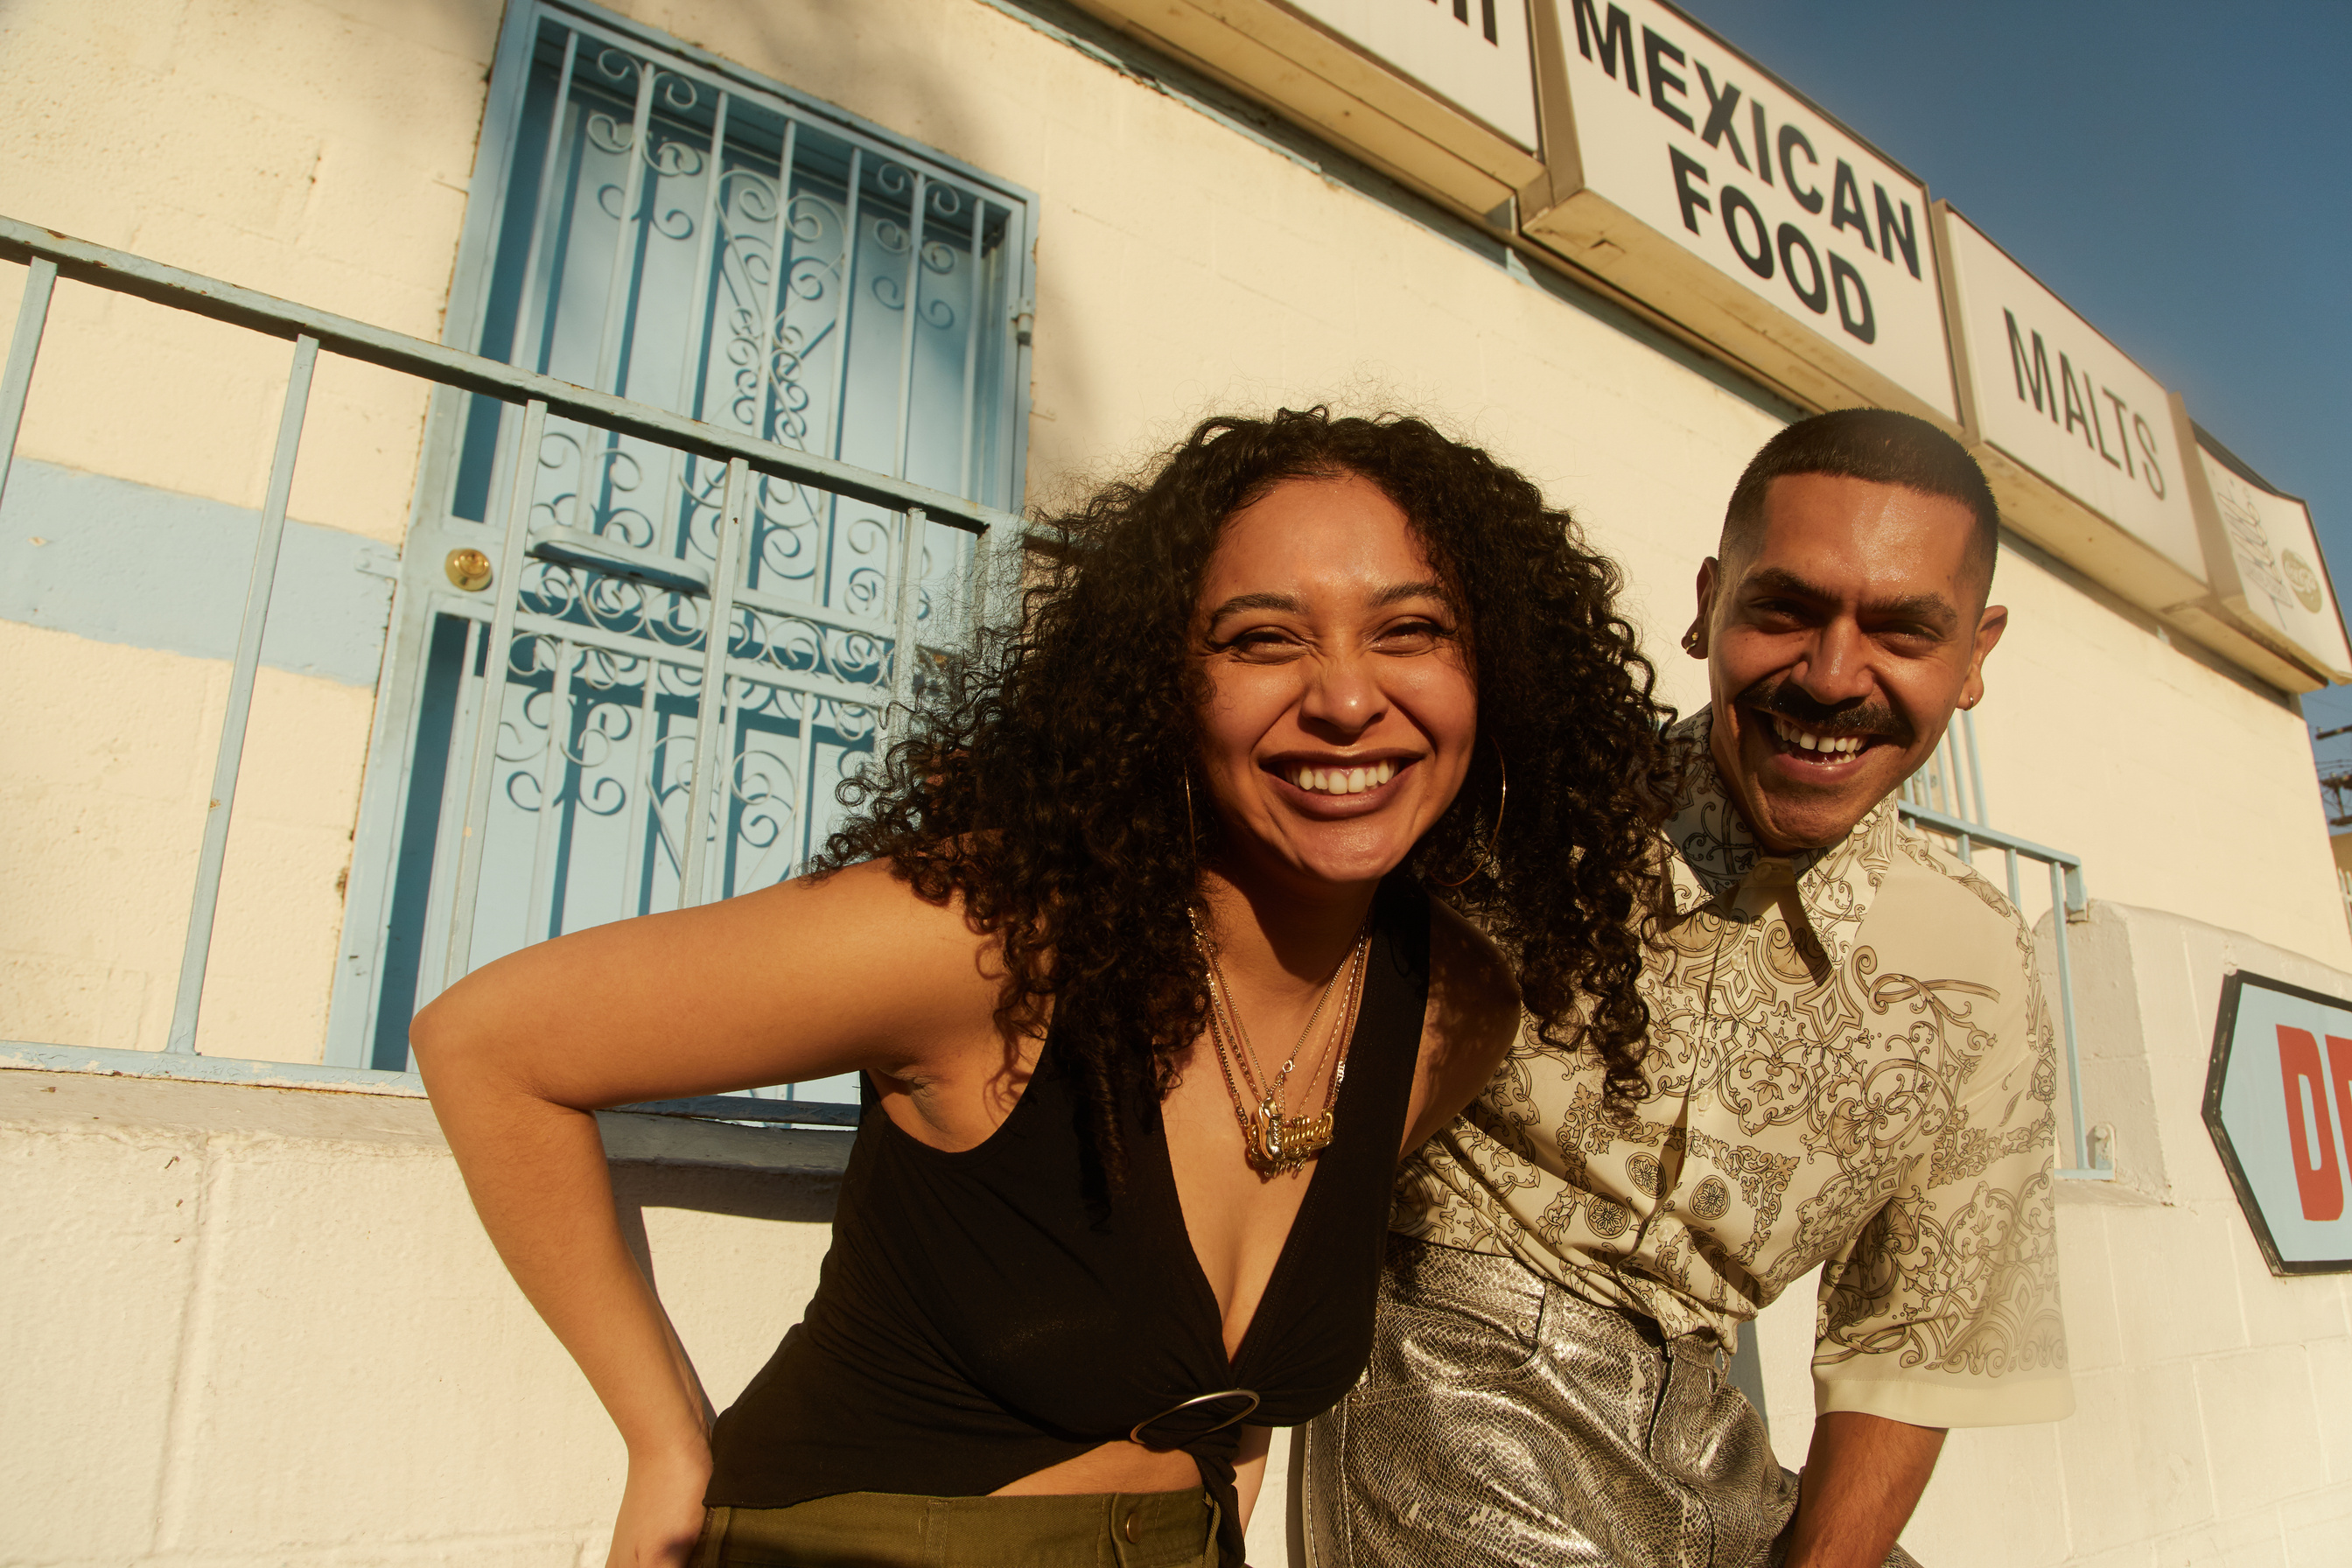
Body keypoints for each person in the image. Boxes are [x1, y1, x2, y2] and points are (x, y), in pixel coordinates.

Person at [411, 408, 1680, 1568]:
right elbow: (492, 1046)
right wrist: (664, 1442)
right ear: (1163, 689)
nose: (1347, 697)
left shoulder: (1448, 1002)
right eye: (1261, 640)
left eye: (1410, 629)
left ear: (1493, 674)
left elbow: (1225, 1394)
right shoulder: (992, 936)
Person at [1303, 408, 2076, 1568]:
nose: (1829, 677)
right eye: (1785, 610)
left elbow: (1911, 1339)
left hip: (1718, 1443)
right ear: (1711, 603)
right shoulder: (1513, 804)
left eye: (1904, 631)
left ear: (1975, 657)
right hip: (1452, 1395)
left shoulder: (1980, 968)